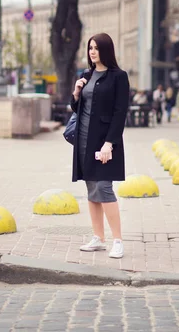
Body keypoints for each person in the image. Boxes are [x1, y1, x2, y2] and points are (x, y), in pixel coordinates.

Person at [70, 32, 130, 258]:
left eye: (96, 48)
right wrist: (76, 94)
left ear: (106, 50)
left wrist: (109, 144)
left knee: (104, 188)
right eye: (90, 48)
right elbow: (79, 109)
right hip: (84, 140)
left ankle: (118, 240)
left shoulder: (118, 77)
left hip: (105, 142)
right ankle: (98, 237)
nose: (92, 52)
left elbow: (119, 112)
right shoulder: (87, 74)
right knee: (91, 189)